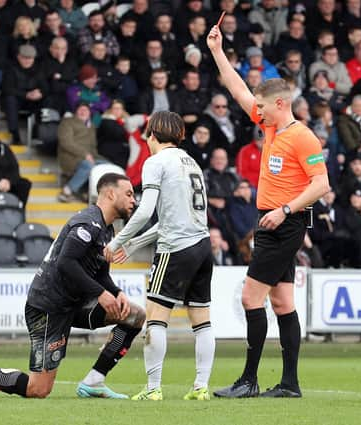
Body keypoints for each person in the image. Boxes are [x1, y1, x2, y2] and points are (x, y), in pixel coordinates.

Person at [208, 23, 330, 398]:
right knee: (282, 301)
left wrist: (284, 210)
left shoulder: (302, 136)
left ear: (280, 104)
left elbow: (322, 184)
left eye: (261, 105)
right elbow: (238, 89)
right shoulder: (272, 127)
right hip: (276, 222)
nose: (254, 110)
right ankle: (290, 384)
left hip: (284, 223)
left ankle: (248, 381)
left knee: (250, 298)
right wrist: (217, 51)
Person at [0, 173, 144, 399]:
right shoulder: (87, 223)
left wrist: (116, 293)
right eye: (128, 194)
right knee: (38, 389)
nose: (133, 200)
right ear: (110, 193)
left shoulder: (106, 229)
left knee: (134, 316)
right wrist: (101, 294)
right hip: (48, 308)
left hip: (72, 305)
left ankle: (94, 381)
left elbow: (100, 273)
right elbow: (66, 263)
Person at [103, 111, 215, 401]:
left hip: (175, 249)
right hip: (203, 246)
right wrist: (134, 244)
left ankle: (153, 389)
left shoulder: (155, 162)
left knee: (155, 319)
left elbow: (146, 210)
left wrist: (117, 242)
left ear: (152, 134)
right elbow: (171, 218)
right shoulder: (191, 162)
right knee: (202, 321)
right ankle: (201, 387)